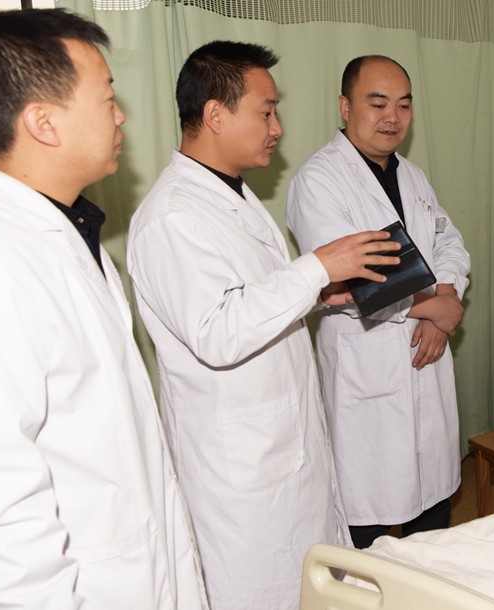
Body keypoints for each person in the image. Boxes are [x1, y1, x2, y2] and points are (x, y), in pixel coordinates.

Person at [125, 42, 401, 609]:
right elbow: (218, 331)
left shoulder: (235, 195)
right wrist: (317, 266)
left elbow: (251, 299)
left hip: (285, 447)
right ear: (215, 114)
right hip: (242, 473)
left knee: (311, 586)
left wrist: (317, 294)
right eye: (266, 111)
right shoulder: (171, 216)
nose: (278, 128)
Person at [0, 9, 207, 609]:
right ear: (43, 122)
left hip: (137, 565)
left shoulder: (70, 230)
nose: (121, 115)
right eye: (107, 97)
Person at [286, 55, 470, 550]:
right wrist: (434, 307)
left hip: (424, 352)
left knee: (433, 513)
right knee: (366, 519)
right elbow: (349, 280)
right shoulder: (320, 180)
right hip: (365, 368)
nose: (392, 117)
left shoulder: (412, 176)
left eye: (403, 105)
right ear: (345, 106)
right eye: (378, 103)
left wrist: (446, 298)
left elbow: (449, 242)